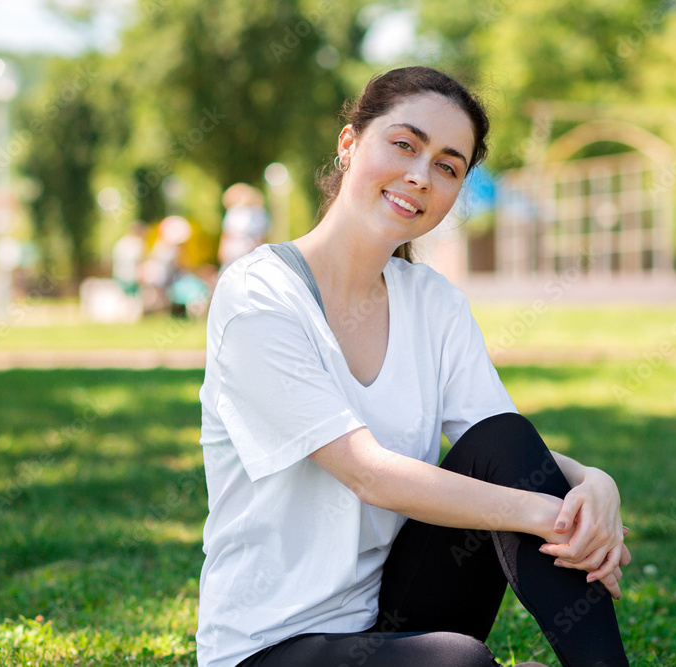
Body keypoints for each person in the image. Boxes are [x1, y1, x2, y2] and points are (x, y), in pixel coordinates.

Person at [196, 66, 631, 667]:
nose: (421, 176)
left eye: (448, 167)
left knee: (504, 436)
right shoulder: (259, 294)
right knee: (458, 662)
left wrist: (592, 484)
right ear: (350, 144)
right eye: (404, 144)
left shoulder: (433, 302)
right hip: (271, 646)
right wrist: (549, 516)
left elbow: (507, 452)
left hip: (396, 613)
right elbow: (367, 473)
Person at [218, 182, 270, 272]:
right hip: (235, 254)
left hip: (245, 254)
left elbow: (262, 237)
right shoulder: (235, 212)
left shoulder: (258, 213)